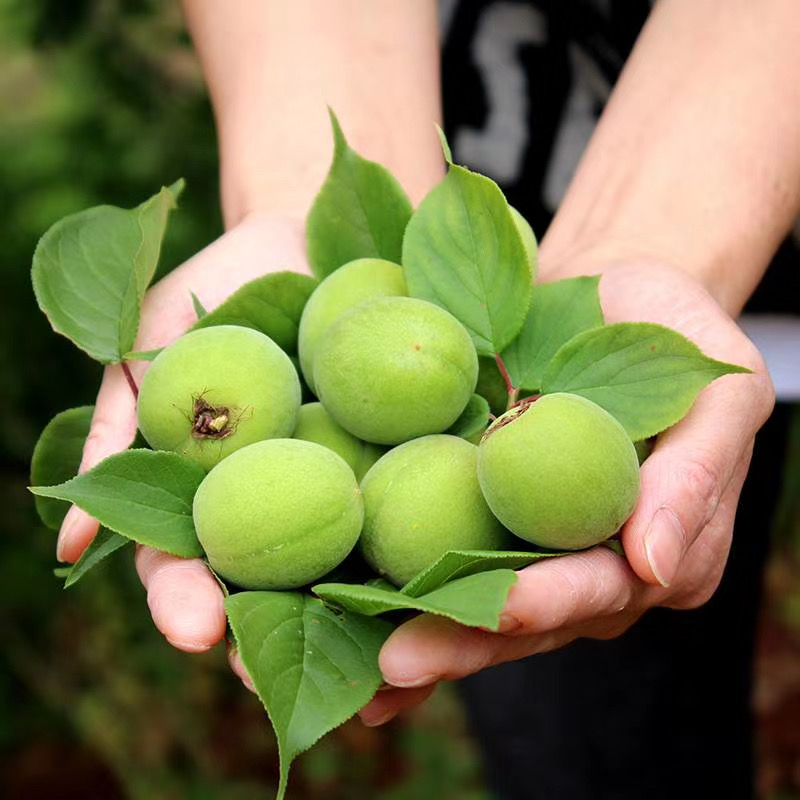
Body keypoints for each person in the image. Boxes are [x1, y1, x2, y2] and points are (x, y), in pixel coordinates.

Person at [55, 1, 800, 796]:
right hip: (497, 196)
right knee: (587, 740)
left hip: (747, 229)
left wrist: (663, 235)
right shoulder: (401, 421)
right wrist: (301, 187)